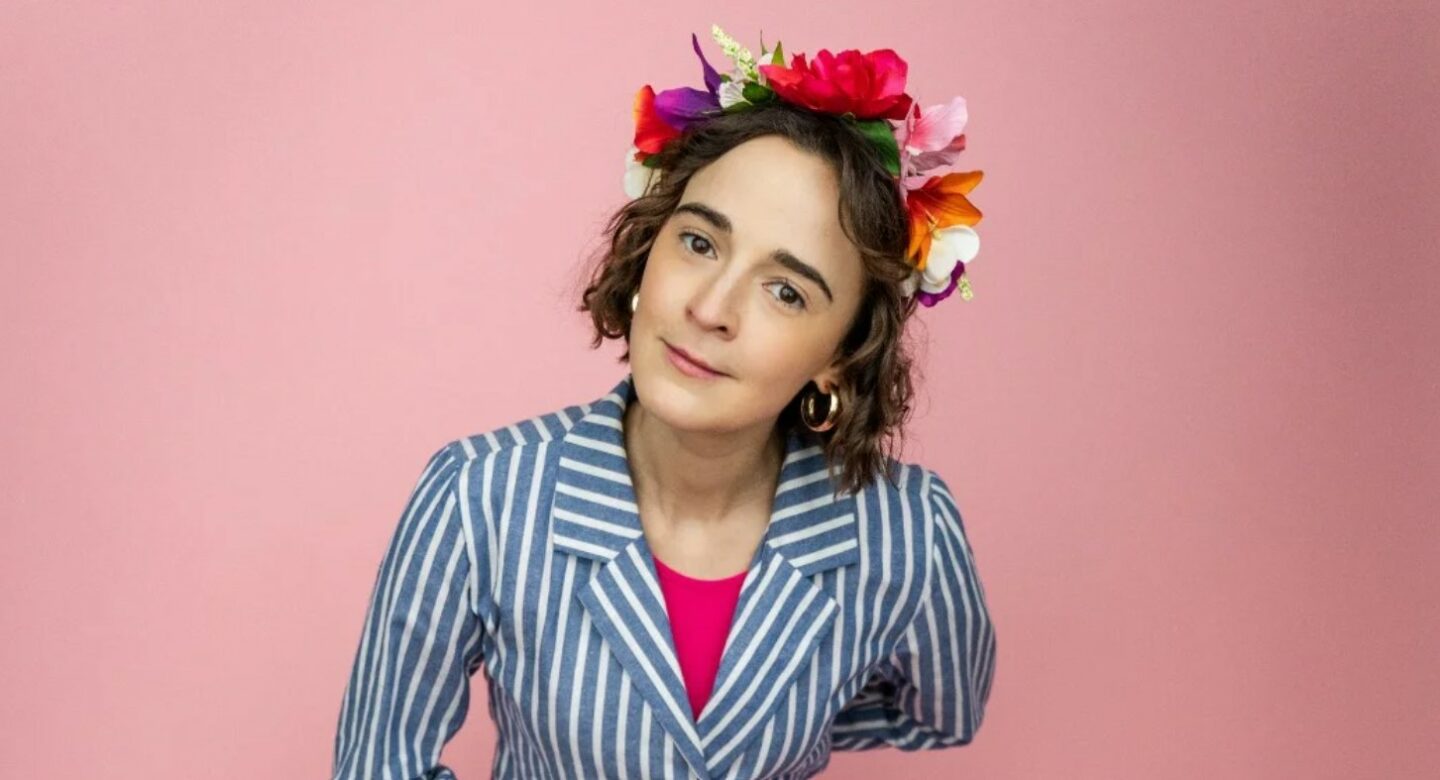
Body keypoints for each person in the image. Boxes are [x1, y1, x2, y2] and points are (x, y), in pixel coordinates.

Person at [332, 24, 996, 780]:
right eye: (701, 244)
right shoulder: (478, 496)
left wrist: (794, 723)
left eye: (786, 290)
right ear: (649, 247)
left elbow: (942, 711)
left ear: (840, 358)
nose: (711, 308)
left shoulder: (907, 531)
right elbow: (377, 765)